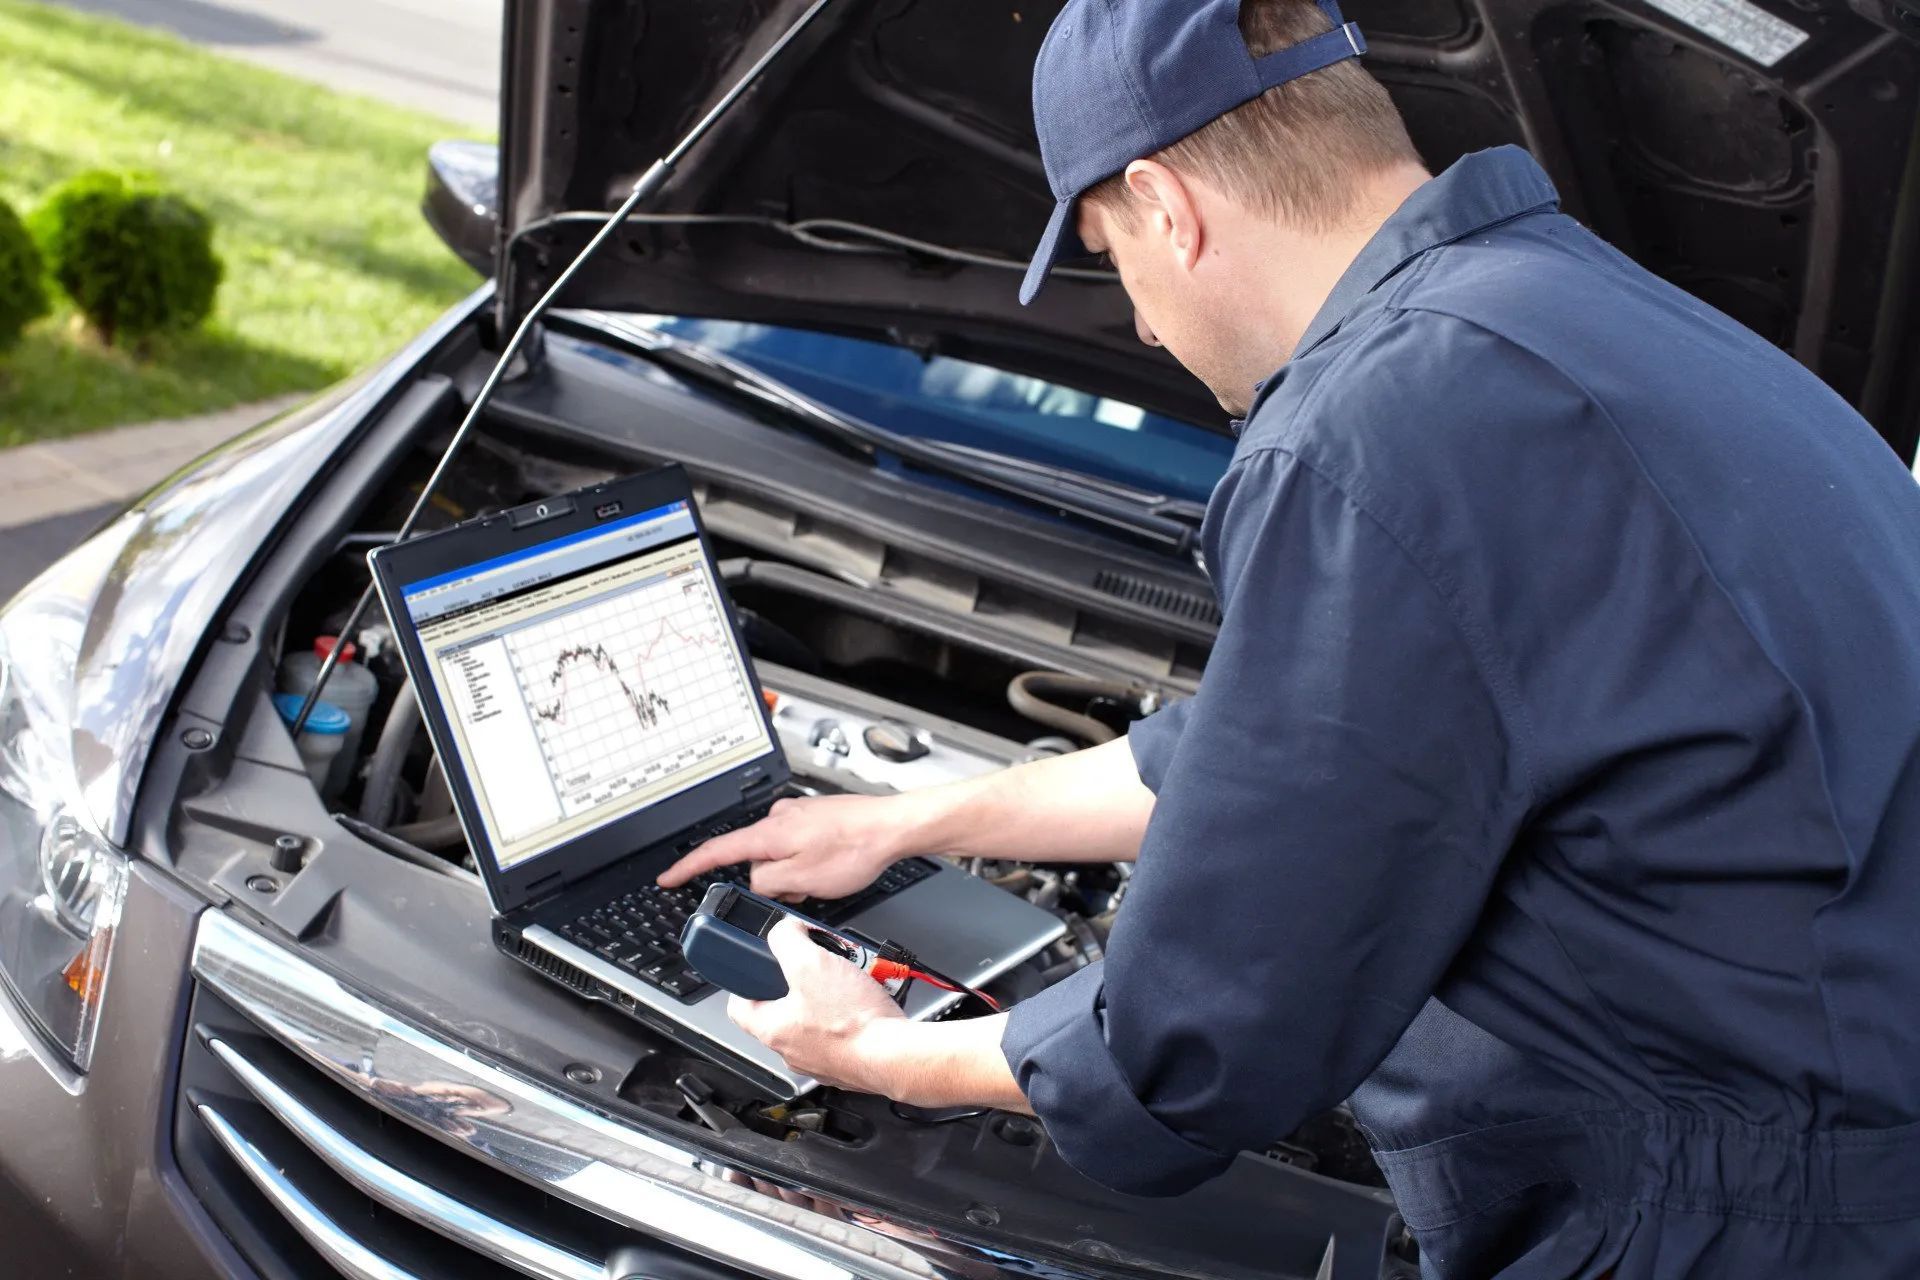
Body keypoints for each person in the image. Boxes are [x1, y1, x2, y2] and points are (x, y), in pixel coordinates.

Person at [660, 0, 1920, 1273]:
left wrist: (880, 1052)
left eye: (1110, 257)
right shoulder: (1564, 315)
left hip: (1728, 1220)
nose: (1143, 324)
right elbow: (1291, 754)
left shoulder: (1378, 427)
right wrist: (909, 820)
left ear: (1166, 204)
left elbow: (1201, 1039)